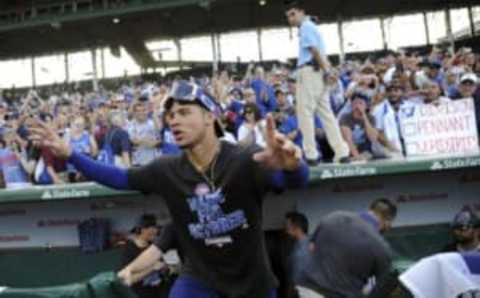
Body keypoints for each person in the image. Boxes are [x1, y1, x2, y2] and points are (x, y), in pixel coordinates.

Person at [29, 80, 308, 298]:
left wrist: (294, 166)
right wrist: (71, 154)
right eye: (171, 114)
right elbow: (119, 178)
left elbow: (293, 182)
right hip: (201, 280)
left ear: (210, 117)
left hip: (252, 284)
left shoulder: (245, 158)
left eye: (185, 112)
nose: (174, 119)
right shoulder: (166, 169)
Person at [285, 0, 350, 165]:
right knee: (326, 114)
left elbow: (314, 51)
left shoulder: (306, 27)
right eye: (288, 16)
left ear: (301, 12)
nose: (291, 19)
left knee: (305, 114)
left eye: (293, 14)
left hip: (309, 72)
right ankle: (342, 152)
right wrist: (327, 70)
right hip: (317, 71)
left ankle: (311, 154)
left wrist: (328, 71)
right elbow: (320, 53)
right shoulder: (310, 27)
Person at [294, 199, 397, 298]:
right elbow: (380, 289)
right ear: (388, 222)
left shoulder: (334, 217)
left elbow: (311, 248)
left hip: (306, 290)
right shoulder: (382, 248)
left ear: (370, 209)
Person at [121, 214, 164, 298]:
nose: (156, 231)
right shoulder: (129, 250)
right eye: (153, 228)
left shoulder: (154, 246)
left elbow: (160, 265)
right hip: (143, 294)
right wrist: (152, 269)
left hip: (160, 291)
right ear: (142, 230)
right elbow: (128, 279)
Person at [339, 93, 389, 161]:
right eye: (355, 103)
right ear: (351, 105)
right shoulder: (345, 117)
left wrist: (364, 115)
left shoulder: (371, 118)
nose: (357, 106)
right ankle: (353, 158)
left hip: (365, 148)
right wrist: (357, 157)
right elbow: (348, 140)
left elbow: (373, 138)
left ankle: (353, 159)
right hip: (350, 148)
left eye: (360, 103)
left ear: (366, 106)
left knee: (374, 152)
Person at [128, 102, 160, 166]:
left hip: (154, 161)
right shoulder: (131, 125)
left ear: (147, 111)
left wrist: (155, 143)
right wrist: (147, 142)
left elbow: (159, 137)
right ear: (134, 113)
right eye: (138, 111)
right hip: (138, 162)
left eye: (143, 110)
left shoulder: (152, 123)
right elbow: (133, 141)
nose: (141, 113)